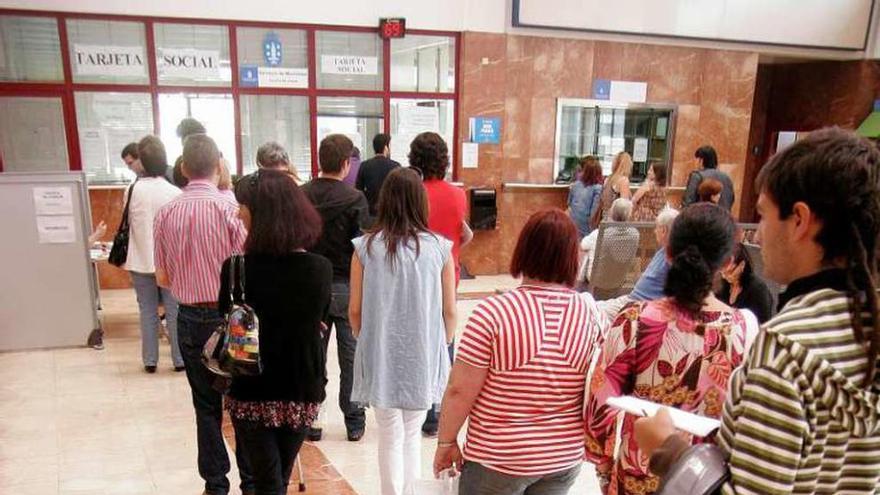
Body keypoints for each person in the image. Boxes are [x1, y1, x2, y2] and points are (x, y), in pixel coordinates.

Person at [637, 128, 880, 495]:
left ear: (799, 219)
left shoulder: (784, 350)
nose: (758, 236)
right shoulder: (866, 329)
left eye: (764, 216)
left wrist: (668, 451)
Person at [432, 208, 608, 493]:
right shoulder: (591, 314)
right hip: (562, 458)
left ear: (523, 251)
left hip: (497, 458)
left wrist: (446, 442)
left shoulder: (492, 313)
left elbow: (459, 390)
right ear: (573, 257)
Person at [585, 203, 748, 495]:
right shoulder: (744, 330)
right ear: (726, 263)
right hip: (704, 479)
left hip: (638, 470)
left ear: (668, 252)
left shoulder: (634, 321)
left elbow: (601, 402)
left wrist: (604, 466)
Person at [153, 134, 254, 495]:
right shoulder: (230, 211)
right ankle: (251, 480)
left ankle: (215, 483)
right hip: (234, 320)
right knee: (242, 402)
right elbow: (248, 263)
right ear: (219, 166)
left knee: (205, 404)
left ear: (183, 168)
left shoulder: (166, 213)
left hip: (191, 319)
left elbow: (162, 276)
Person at [223, 169, 331, 495]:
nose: (237, 212)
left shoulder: (236, 269)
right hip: (301, 388)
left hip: (251, 387)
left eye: (243, 205)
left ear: (262, 213)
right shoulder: (319, 269)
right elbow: (319, 321)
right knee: (276, 478)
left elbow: (226, 320)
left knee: (268, 480)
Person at [349, 168, 456, 495]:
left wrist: (365, 340)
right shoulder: (440, 248)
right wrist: (442, 344)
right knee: (412, 435)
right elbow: (449, 311)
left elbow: (355, 310)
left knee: (388, 435)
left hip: (381, 353)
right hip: (422, 353)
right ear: (420, 203)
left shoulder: (365, 248)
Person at [302, 134, 370, 442]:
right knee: (350, 357)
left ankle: (311, 418)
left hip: (310, 285)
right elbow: (363, 248)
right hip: (346, 285)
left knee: (312, 354)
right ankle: (354, 421)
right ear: (346, 164)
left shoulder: (301, 194)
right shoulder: (355, 198)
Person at [406, 131, 473, 438]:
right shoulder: (457, 194)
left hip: (417, 276)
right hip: (449, 273)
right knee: (446, 335)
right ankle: (438, 412)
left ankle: (417, 406)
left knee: (416, 338)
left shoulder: (412, 194)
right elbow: (462, 232)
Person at [123, 135, 183, 374]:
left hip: (139, 259)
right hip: (169, 262)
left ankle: (150, 360)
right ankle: (179, 359)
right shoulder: (174, 192)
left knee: (146, 310)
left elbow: (128, 223)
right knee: (174, 310)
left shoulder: (131, 190)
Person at [597, 207, 679, 319]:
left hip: (638, 306)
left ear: (663, 230)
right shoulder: (664, 250)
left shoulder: (673, 256)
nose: (655, 231)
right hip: (633, 299)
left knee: (595, 310)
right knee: (594, 305)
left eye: (657, 228)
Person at [580, 198, 637, 283]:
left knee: (587, 251)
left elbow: (582, 245)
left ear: (611, 212)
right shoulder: (634, 234)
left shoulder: (599, 233)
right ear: (629, 216)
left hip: (596, 279)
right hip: (620, 278)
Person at [717, 243, 774, 323]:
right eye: (722, 272)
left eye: (730, 271)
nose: (725, 276)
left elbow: (763, 323)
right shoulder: (723, 284)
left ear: (742, 265)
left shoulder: (758, 290)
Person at [355, 133, 401, 220]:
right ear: (386, 147)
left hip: (370, 213)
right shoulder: (396, 166)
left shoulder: (364, 165)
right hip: (390, 213)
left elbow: (358, 190)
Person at [681, 145, 735, 210]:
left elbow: (688, 202)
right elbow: (731, 200)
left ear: (701, 160)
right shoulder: (727, 178)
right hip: (724, 218)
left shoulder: (696, 176)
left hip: (702, 218)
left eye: (696, 160)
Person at [592, 151, 633, 228]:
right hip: (616, 222)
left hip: (604, 218)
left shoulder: (608, 179)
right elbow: (624, 207)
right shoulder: (623, 180)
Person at [568, 155, 604, 238]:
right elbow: (593, 213)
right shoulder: (598, 188)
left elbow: (569, 204)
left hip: (573, 221)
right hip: (586, 226)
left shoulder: (575, 185)